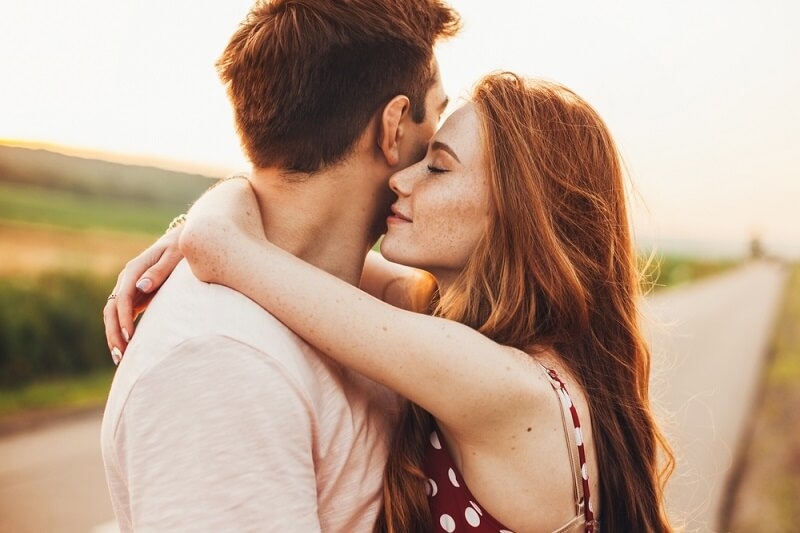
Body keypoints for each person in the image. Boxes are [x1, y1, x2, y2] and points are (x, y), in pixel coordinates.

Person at [108, 74, 675, 531]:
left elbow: (225, 250)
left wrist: (199, 229)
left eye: (438, 165)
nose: (402, 178)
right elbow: (292, 257)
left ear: (516, 213)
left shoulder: (497, 381)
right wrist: (211, 219)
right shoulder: (476, 338)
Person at [100, 0, 459, 530]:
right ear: (395, 125)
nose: (435, 150)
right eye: (438, 115)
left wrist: (209, 223)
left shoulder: (353, 301)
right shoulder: (222, 364)